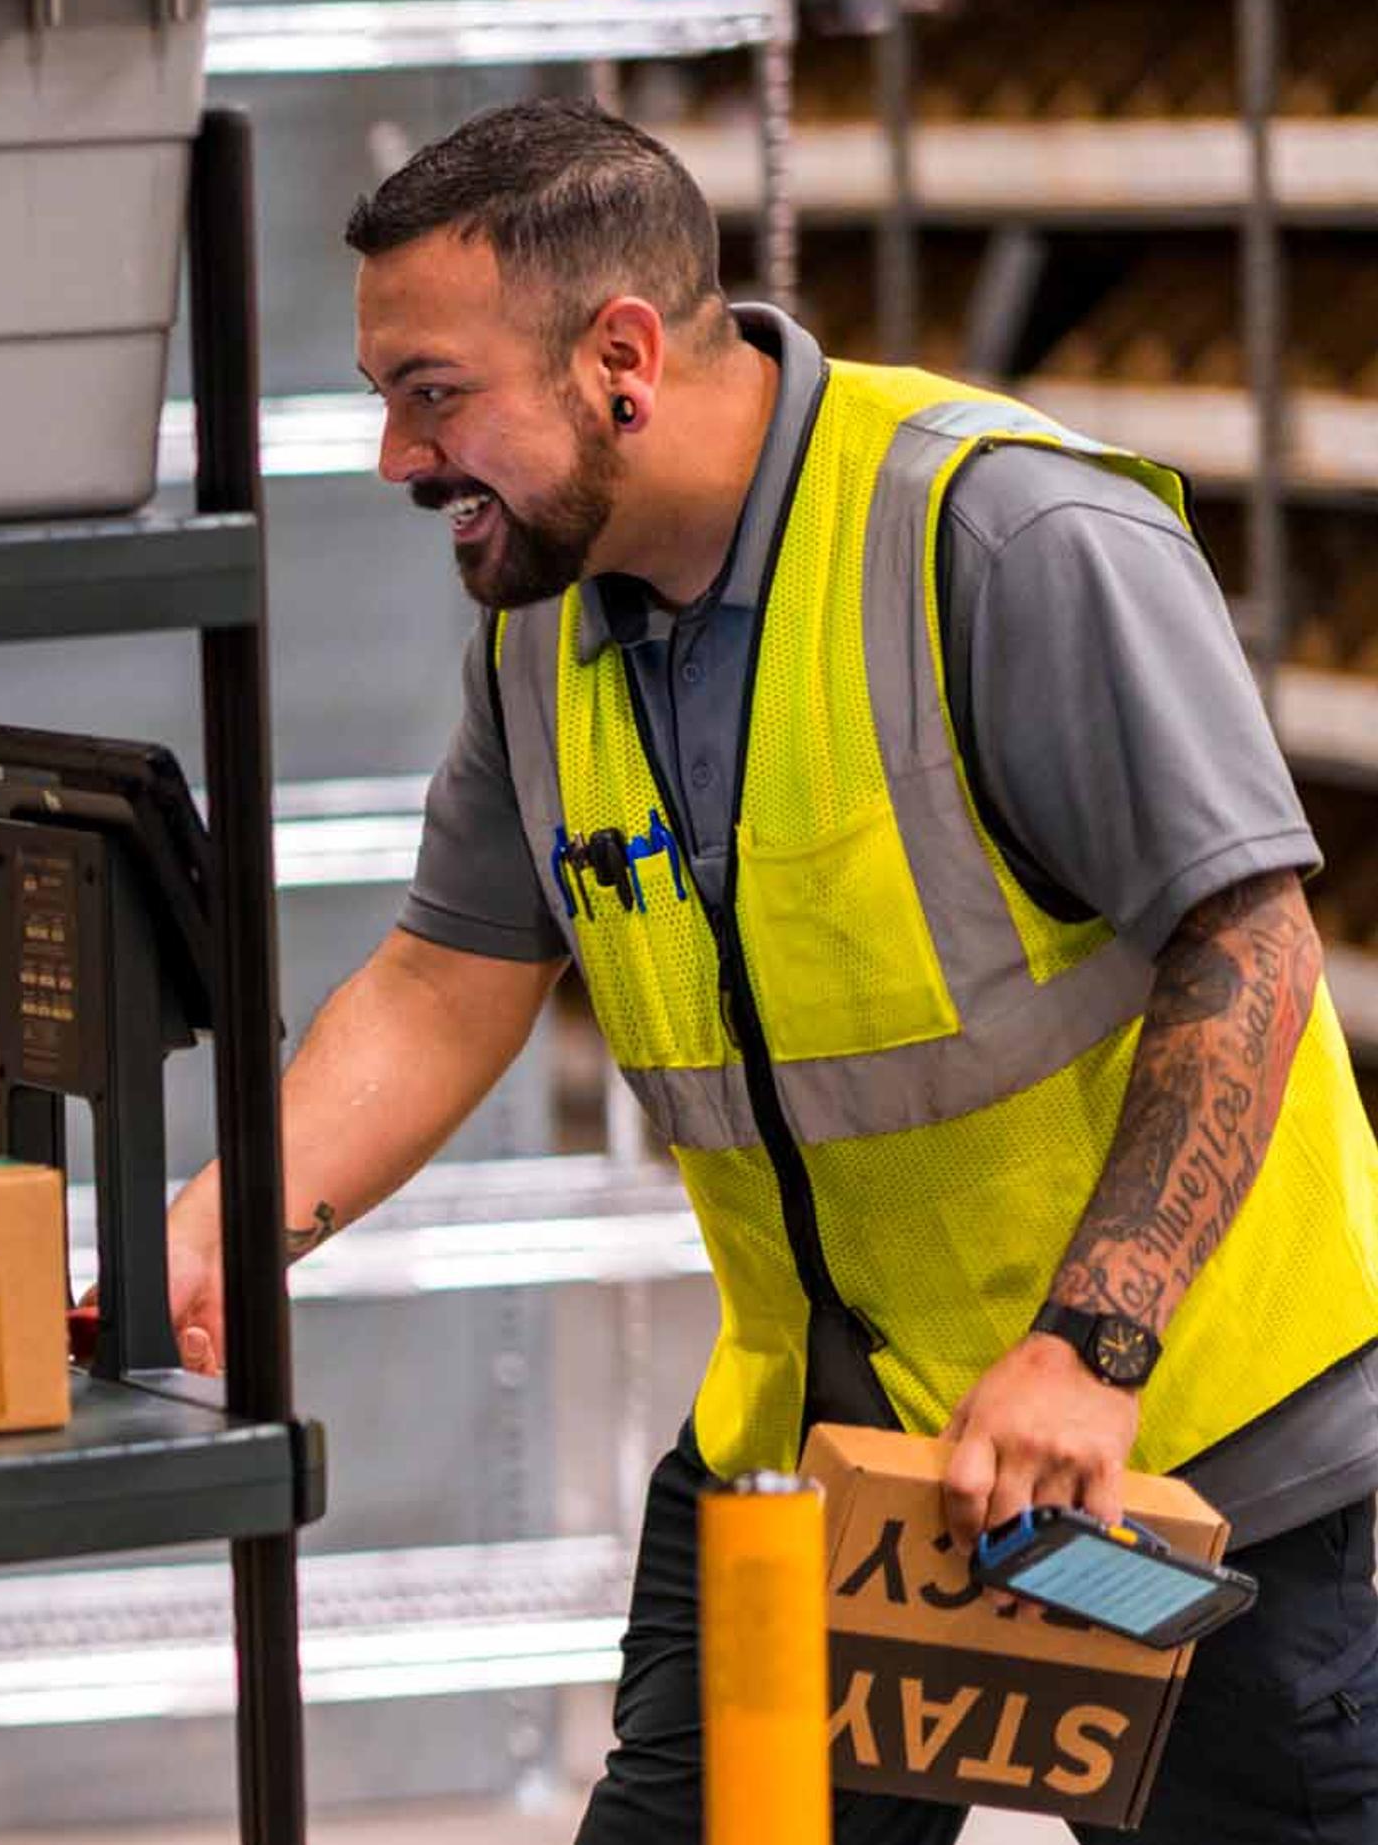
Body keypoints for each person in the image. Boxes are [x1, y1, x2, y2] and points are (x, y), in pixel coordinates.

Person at [162, 98, 1378, 1841]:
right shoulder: (541, 639)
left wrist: (1090, 1342)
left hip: (1182, 1464)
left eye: (432, 394)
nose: (395, 459)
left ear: (622, 361)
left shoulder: (997, 541)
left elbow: (1245, 944)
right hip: (829, 1455)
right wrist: (241, 1214)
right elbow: (448, 978)